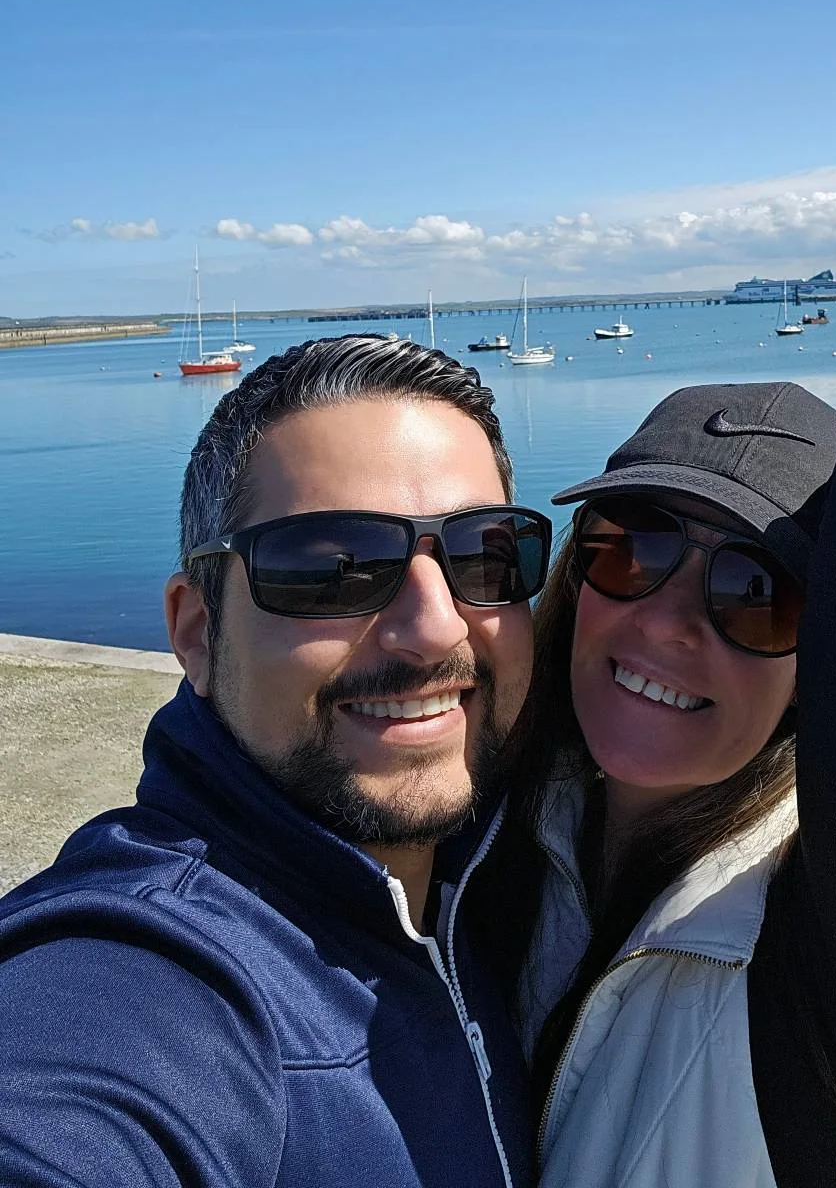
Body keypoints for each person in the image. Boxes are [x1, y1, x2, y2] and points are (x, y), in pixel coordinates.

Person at [0, 335, 551, 1188]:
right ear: (195, 630)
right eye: (332, 569)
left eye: (487, 552)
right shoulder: (149, 977)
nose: (437, 626)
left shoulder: (492, 882)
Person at [469, 380, 836, 1187]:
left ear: (824, 665)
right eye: (632, 549)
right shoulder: (482, 851)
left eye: (756, 594)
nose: (666, 621)